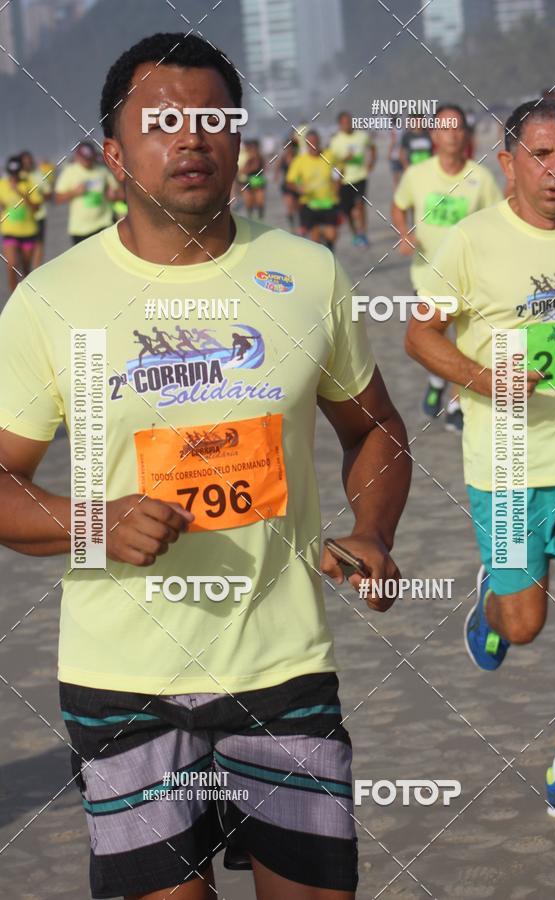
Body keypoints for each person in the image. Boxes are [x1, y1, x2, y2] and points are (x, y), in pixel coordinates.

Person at [0, 32, 412, 900]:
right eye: (161, 122)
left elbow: (376, 429)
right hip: (124, 684)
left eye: (212, 119)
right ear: (114, 153)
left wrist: (371, 530)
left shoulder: (306, 273)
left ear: (239, 139)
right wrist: (92, 521)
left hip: (284, 666)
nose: (190, 139)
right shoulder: (50, 299)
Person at [405, 99, 555, 831]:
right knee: (523, 626)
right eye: (542, 157)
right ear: (509, 160)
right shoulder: (468, 243)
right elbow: (420, 339)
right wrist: (483, 378)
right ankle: (492, 598)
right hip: (510, 461)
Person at [392, 104, 503, 431]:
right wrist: (404, 231)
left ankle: (456, 406)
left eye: (458, 128)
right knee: (435, 342)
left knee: (464, 344)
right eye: (444, 128)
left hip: (470, 278)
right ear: (434, 136)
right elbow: (399, 206)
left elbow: (498, 219)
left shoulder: (480, 178)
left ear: (465, 134)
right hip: (426, 277)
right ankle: (437, 382)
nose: (452, 135)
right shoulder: (416, 175)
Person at [54, 140, 119, 244]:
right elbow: (58, 198)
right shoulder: (69, 172)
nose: (87, 161)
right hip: (80, 229)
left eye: (89, 158)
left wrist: (113, 195)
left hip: (104, 224)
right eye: (84, 158)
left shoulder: (102, 171)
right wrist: (75, 192)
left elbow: (118, 192)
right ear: (77, 156)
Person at [286, 130, 339, 251]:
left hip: (328, 201)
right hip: (309, 203)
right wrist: (299, 188)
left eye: (315, 142)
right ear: (306, 145)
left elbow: (338, 172)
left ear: (320, 142)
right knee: (315, 241)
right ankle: (322, 259)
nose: (313, 146)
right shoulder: (300, 160)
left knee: (332, 235)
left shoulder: (329, 155)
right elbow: (289, 182)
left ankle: (329, 250)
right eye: (310, 143)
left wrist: (337, 186)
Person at [328, 112, 376, 247]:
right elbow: (331, 162)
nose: (347, 125)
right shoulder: (335, 141)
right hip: (343, 180)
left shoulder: (362, 136)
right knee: (347, 210)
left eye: (349, 121)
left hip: (360, 176)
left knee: (360, 204)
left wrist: (371, 163)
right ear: (340, 125)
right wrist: (345, 159)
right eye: (344, 123)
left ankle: (363, 233)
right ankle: (355, 234)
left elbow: (372, 147)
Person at [0, 155, 42, 292]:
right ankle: (14, 295)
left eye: (16, 173)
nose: (14, 176)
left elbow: (37, 208)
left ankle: (26, 294)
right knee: (11, 265)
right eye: (11, 173)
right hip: (10, 232)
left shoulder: (28, 183)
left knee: (25, 269)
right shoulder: (2, 184)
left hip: (28, 231)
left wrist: (21, 193)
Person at [19, 150, 52, 269]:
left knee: (39, 244)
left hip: (39, 215)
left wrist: (40, 196)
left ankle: (36, 269)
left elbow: (49, 194)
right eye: (24, 162)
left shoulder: (39, 175)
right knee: (25, 249)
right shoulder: (17, 177)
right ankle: (26, 271)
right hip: (23, 217)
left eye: (29, 161)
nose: (27, 164)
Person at [276, 131, 299, 230]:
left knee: (296, 207)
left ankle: (299, 224)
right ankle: (292, 226)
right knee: (289, 206)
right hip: (286, 185)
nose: (289, 149)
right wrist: (276, 176)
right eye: (287, 147)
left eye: (290, 147)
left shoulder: (297, 157)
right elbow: (277, 167)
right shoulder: (283, 157)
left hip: (297, 184)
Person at [240, 139, 266, 219]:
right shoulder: (247, 155)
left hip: (256, 179)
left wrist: (243, 171)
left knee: (259, 202)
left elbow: (255, 167)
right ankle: (253, 218)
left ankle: (259, 218)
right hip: (249, 179)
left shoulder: (257, 155)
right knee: (250, 202)